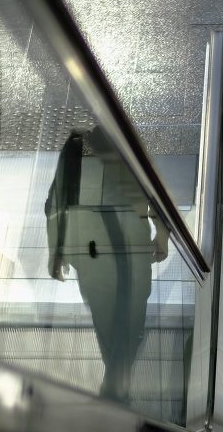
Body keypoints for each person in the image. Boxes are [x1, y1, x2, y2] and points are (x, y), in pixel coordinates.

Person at [45, 126, 169, 401]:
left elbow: (56, 200)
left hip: (93, 247)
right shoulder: (124, 144)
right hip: (118, 246)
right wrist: (162, 233)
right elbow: (156, 194)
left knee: (109, 317)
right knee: (128, 316)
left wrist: (56, 248)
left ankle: (114, 383)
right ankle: (115, 385)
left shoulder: (81, 144)